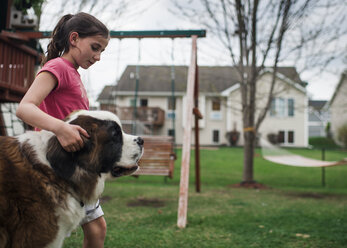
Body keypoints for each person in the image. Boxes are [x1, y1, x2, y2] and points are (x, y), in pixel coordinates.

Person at [16, 12, 110, 248]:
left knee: (96, 229)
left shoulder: (74, 74)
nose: (98, 56)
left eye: (102, 51)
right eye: (95, 47)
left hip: (77, 164)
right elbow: (25, 108)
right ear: (74, 38)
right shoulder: (57, 66)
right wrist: (61, 129)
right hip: (55, 165)